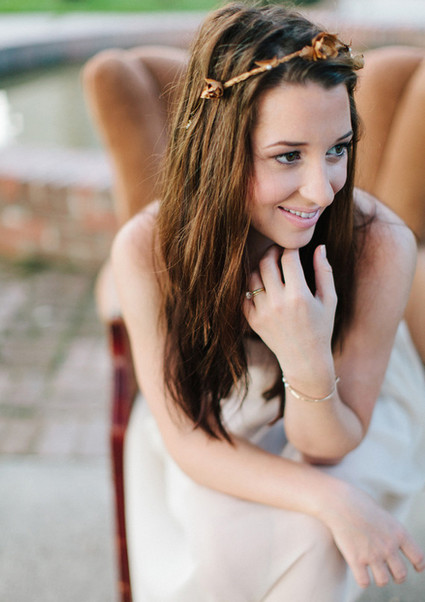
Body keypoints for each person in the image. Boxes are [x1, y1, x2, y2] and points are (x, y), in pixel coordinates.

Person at [111, 3, 425, 601]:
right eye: (288, 155)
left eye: (338, 149)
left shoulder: (379, 245)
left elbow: (328, 446)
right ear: (219, 149)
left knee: (317, 542)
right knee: (226, 540)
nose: (321, 189)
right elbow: (189, 440)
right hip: (219, 410)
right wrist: (332, 499)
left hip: (347, 405)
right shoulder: (146, 249)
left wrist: (305, 354)